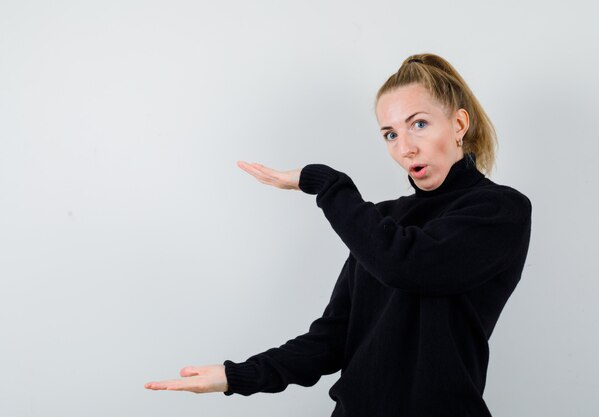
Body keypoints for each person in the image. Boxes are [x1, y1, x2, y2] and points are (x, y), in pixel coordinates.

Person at [144, 53, 532, 416]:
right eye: (390, 134)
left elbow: (406, 265)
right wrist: (236, 376)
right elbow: (334, 338)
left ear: (459, 124)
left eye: (419, 124)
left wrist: (327, 184)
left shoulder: (499, 210)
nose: (406, 148)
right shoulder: (380, 222)